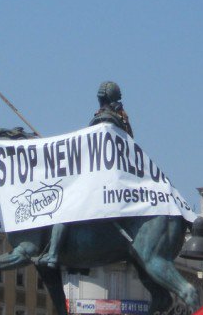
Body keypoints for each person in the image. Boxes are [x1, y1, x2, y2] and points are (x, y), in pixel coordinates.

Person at [41, 81, 134, 269]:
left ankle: (53, 254)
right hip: (117, 176)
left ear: (103, 99)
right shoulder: (121, 120)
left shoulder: (105, 120)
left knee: (64, 206)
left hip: (100, 177)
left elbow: (90, 147)